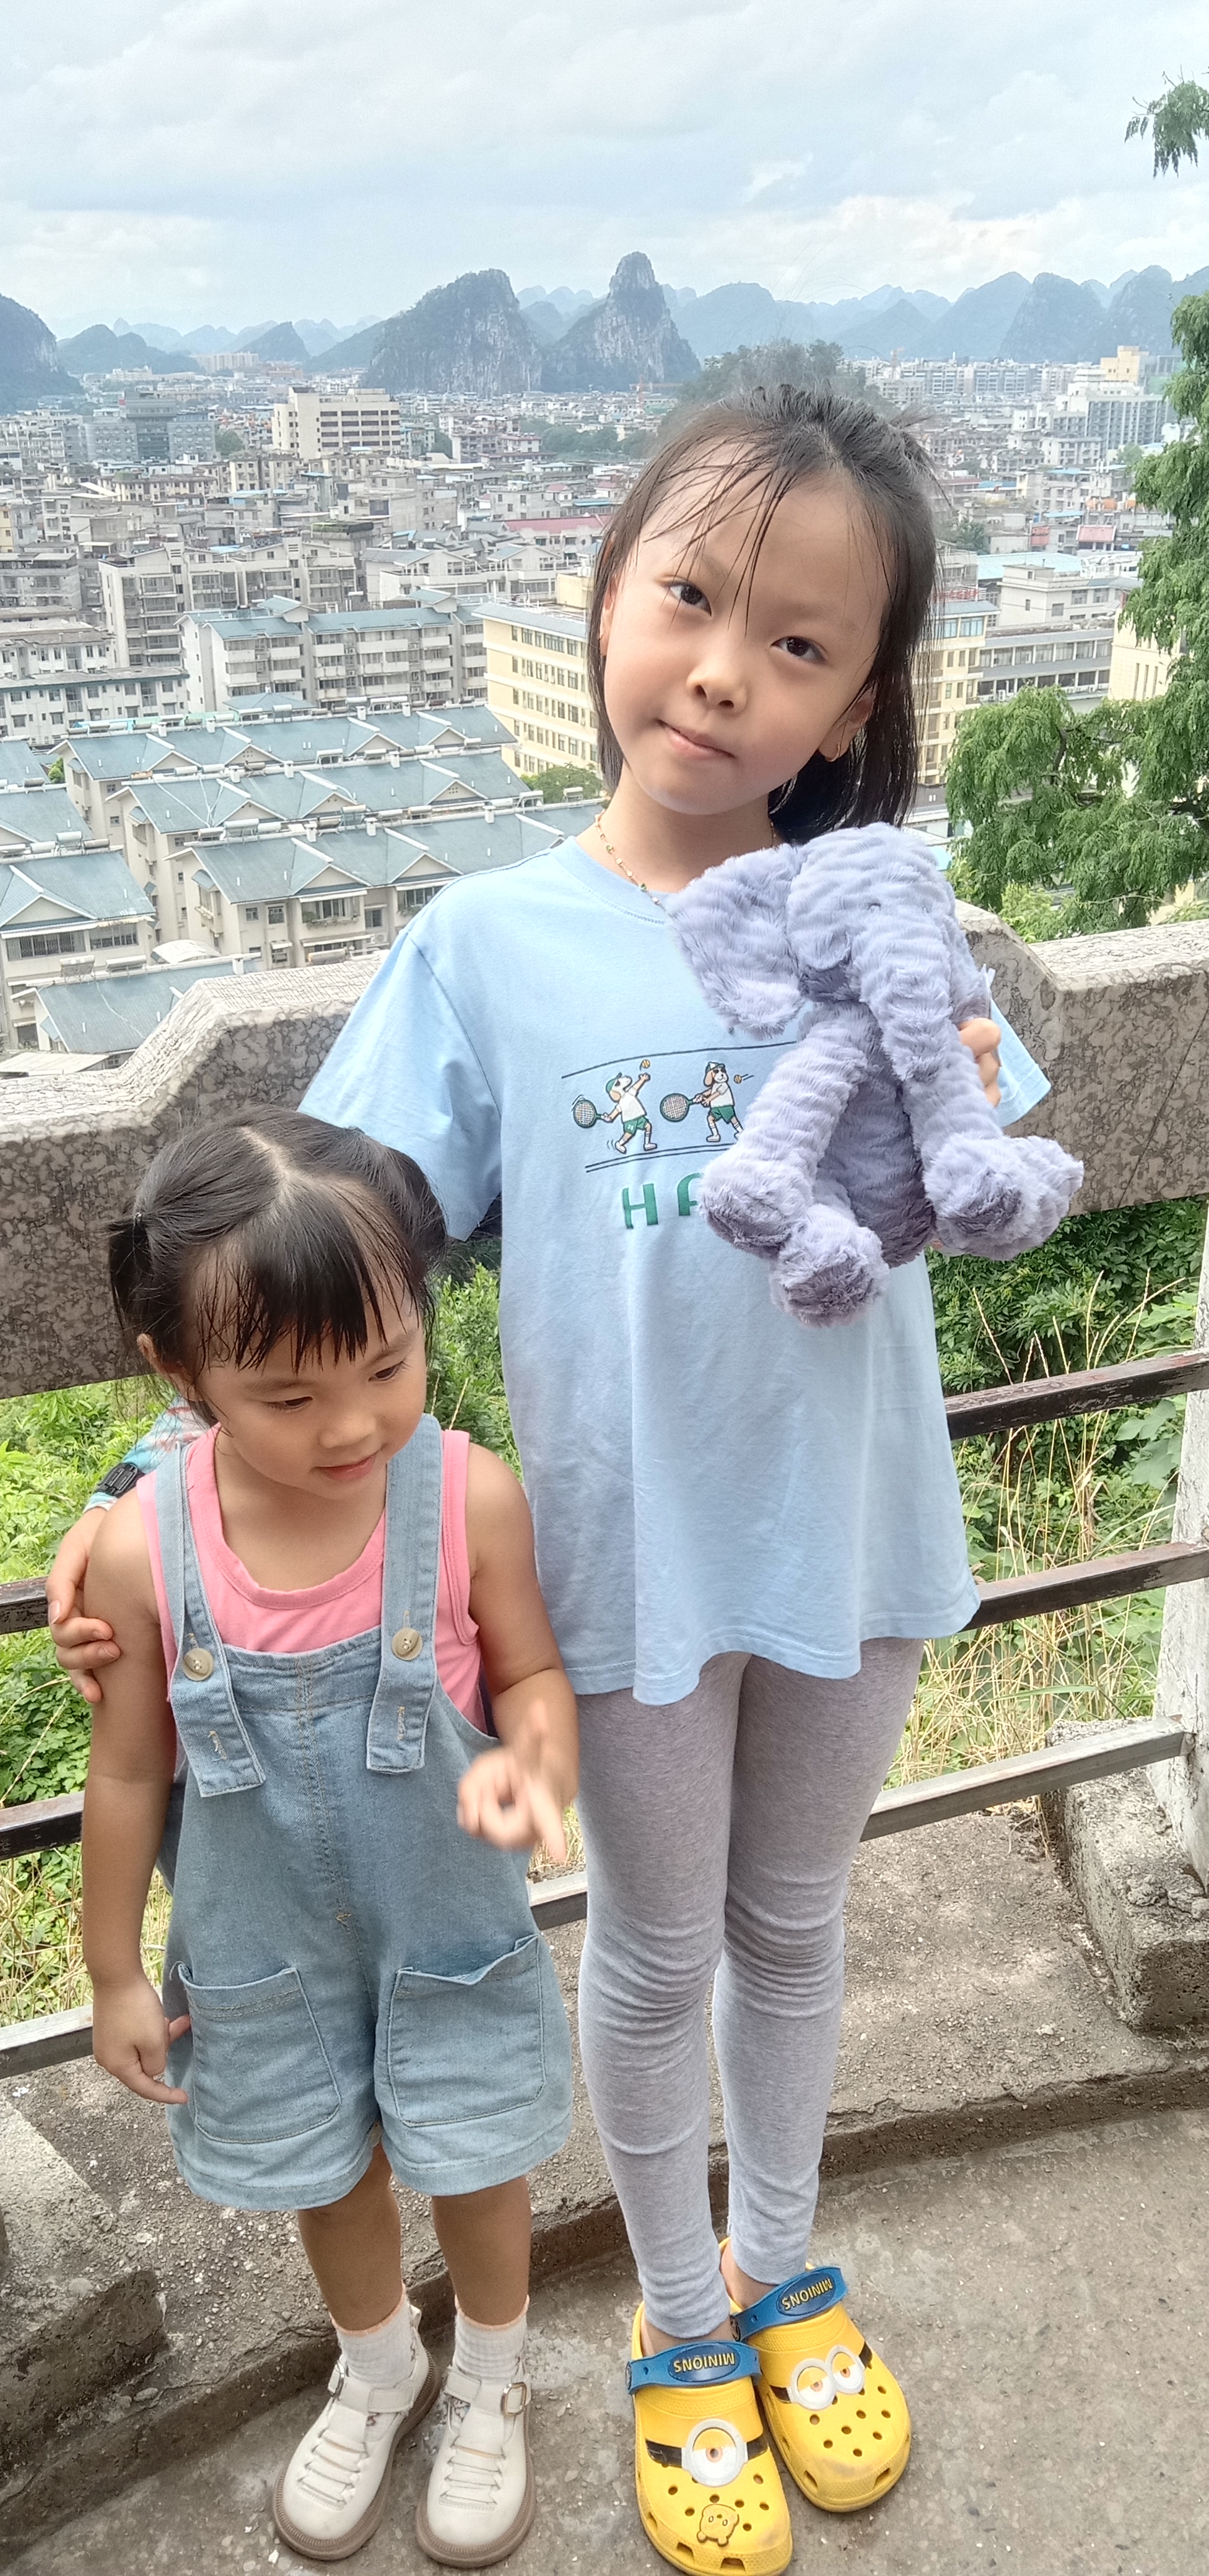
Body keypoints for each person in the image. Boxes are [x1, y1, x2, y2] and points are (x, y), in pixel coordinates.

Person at [52, 386, 1052, 2575]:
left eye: (800, 644)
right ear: (604, 598)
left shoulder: (880, 906)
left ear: (859, 699)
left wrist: (966, 1083)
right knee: (660, 1944)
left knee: (798, 1926)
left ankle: (783, 2272)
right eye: (688, 597)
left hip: (856, 1525)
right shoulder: (487, 945)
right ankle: (677, 2325)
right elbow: (314, 1249)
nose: (723, 670)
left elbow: (995, 1181)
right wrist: (144, 1480)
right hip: (626, 1554)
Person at [77, 1108, 577, 2569]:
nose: (352, 1424)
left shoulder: (468, 1498)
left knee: (477, 2159)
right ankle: (378, 2363)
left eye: (387, 1364)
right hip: (263, 1958)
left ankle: (491, 2374)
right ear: (183, 1376)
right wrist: (113, 1971)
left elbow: (533, 1673)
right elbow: (127, 1771)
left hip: (450, 1931)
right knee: (323, 2170)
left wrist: (535, 1768)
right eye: (288, 1395)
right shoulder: (143, 1549)